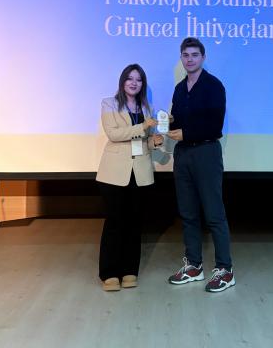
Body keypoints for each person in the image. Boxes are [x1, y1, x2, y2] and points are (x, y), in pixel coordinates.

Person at [166, 37, 234, 293]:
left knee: (214, 214)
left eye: (194, 55)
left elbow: (215, 125)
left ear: (203, 57)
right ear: (181, 58)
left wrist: (186, 132)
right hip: (183, 154)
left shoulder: (214, 86)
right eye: (186, 55)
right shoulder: (179, 88)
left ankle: (225, 270)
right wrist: (166, 124)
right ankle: (194, 266)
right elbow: (177, 123)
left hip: (206, 152)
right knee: (188, 213)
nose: (190, 59)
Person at [96, 64, 164, 292]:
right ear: (122, 81)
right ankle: (109, 273)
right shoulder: (109, 103)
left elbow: (146, 139)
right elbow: (114, 134)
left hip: (140, 172)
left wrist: (154, 141)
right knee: (114, 223)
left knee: (134, 224)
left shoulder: (147, 107)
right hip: (114, 174)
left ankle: (129, 271)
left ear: (142, 84)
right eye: (130, 78)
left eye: (138, 79)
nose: (134, 83)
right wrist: (143, 126)